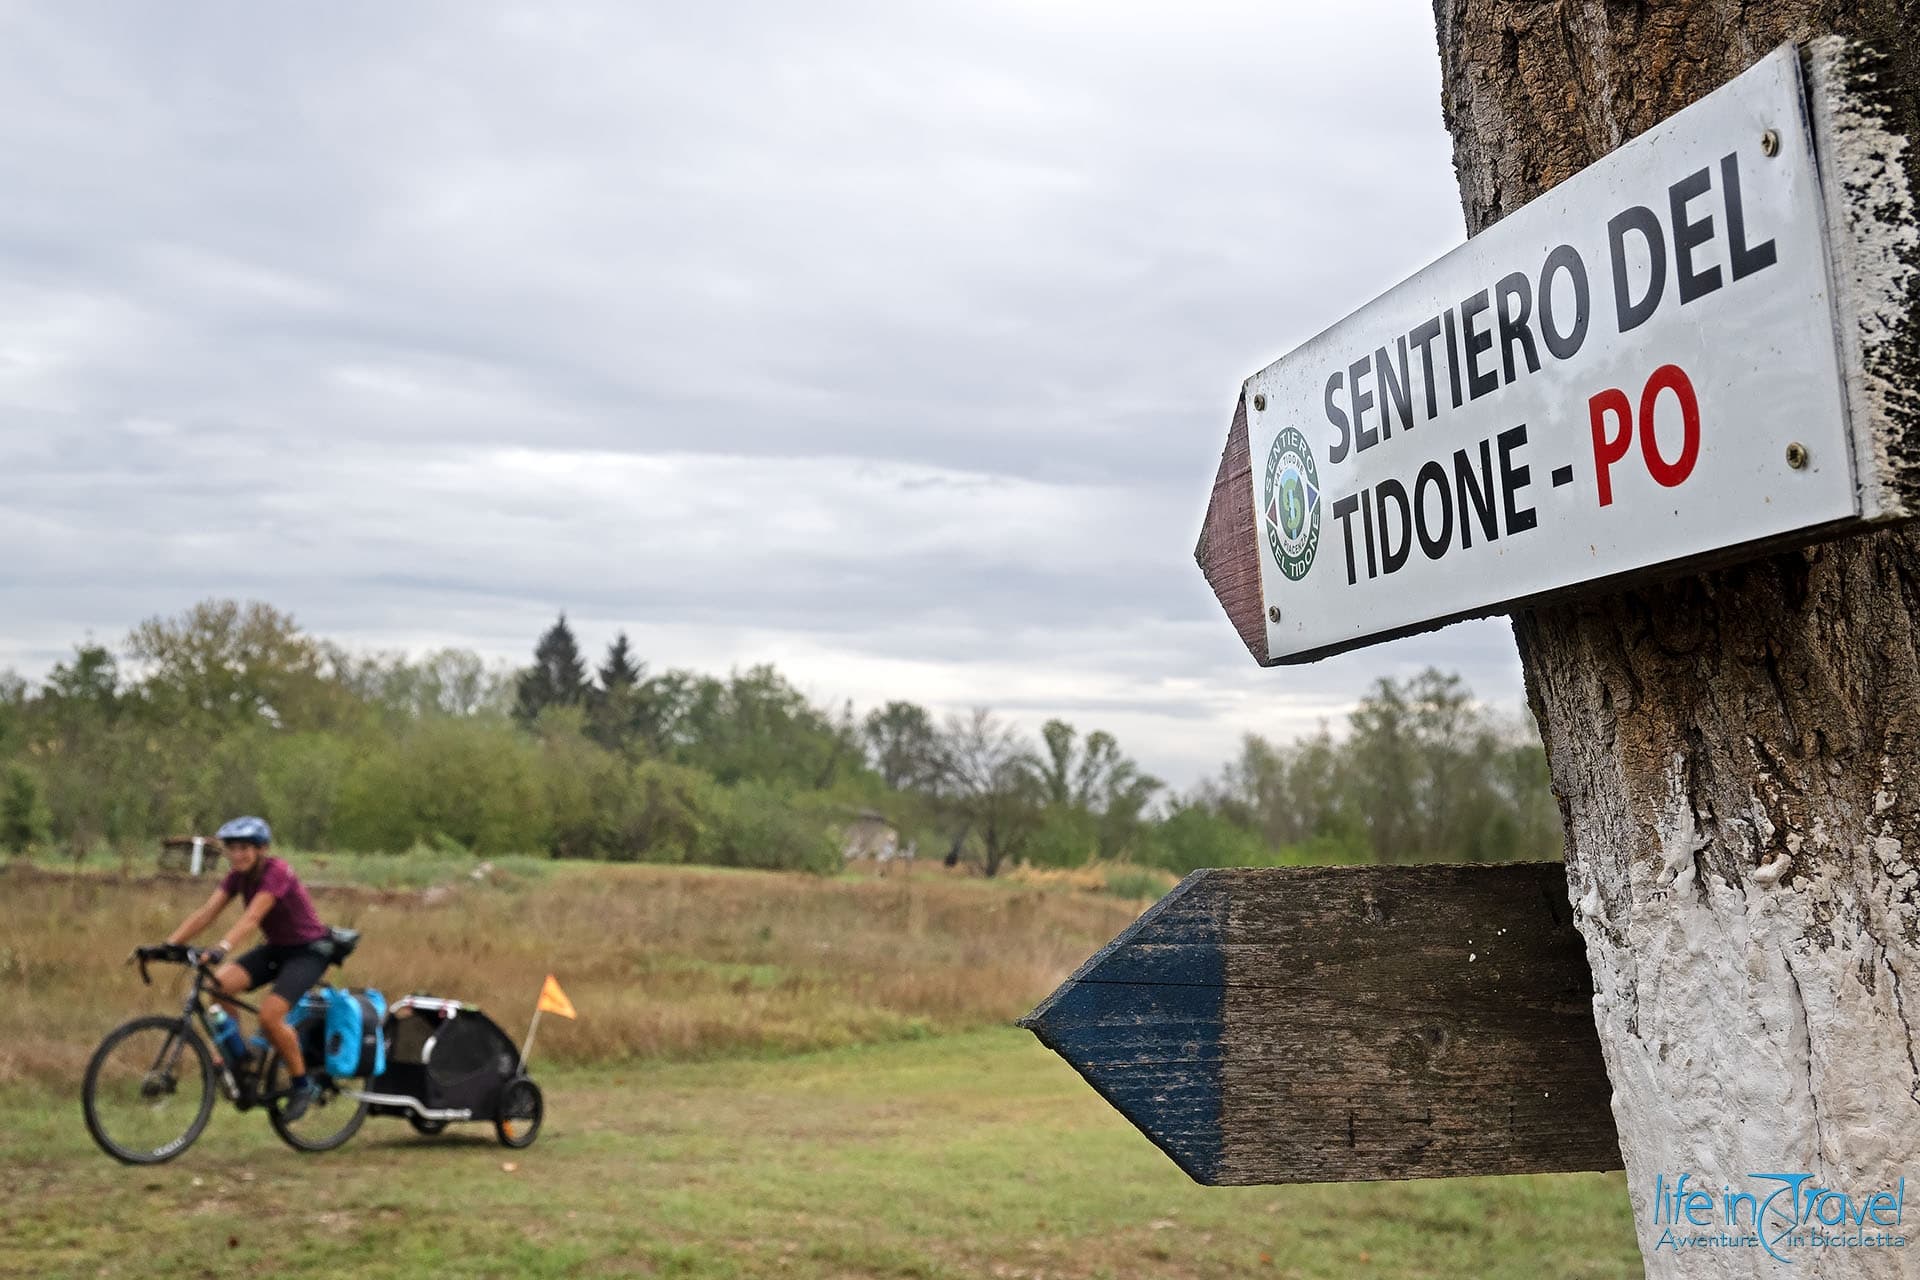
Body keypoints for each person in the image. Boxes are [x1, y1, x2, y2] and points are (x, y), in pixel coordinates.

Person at [160, 816, 332, 1121]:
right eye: (232, 848)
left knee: (270, 1016)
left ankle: (302, 1085)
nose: (238, 855)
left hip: (308, 952)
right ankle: (242, 1059)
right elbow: (207, 913)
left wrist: (222, 948)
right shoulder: (237, 877)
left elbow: (252, 918)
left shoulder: (276, 872)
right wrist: (167, 944)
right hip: (277, 948)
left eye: (245, 848)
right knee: (218, 985)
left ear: (262, 849)